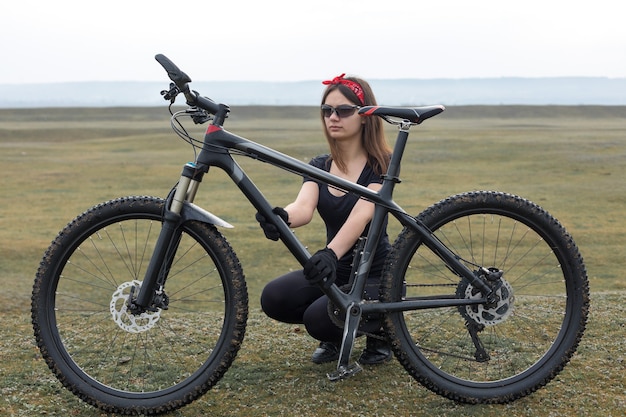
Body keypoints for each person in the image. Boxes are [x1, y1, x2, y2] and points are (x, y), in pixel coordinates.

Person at [257, 73, 392, 365]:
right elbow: (303, 208)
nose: (333, 117)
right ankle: (339, 330)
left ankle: (381, 331)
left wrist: (331, 253)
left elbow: (363, 212)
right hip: (336, 272)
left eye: (343, 110)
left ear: (365, 116)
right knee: (274, 298)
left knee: (317, 321)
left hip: (375, 275)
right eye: (327, 111)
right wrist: (281, 217)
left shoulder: (382, 163)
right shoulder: (321, 165)